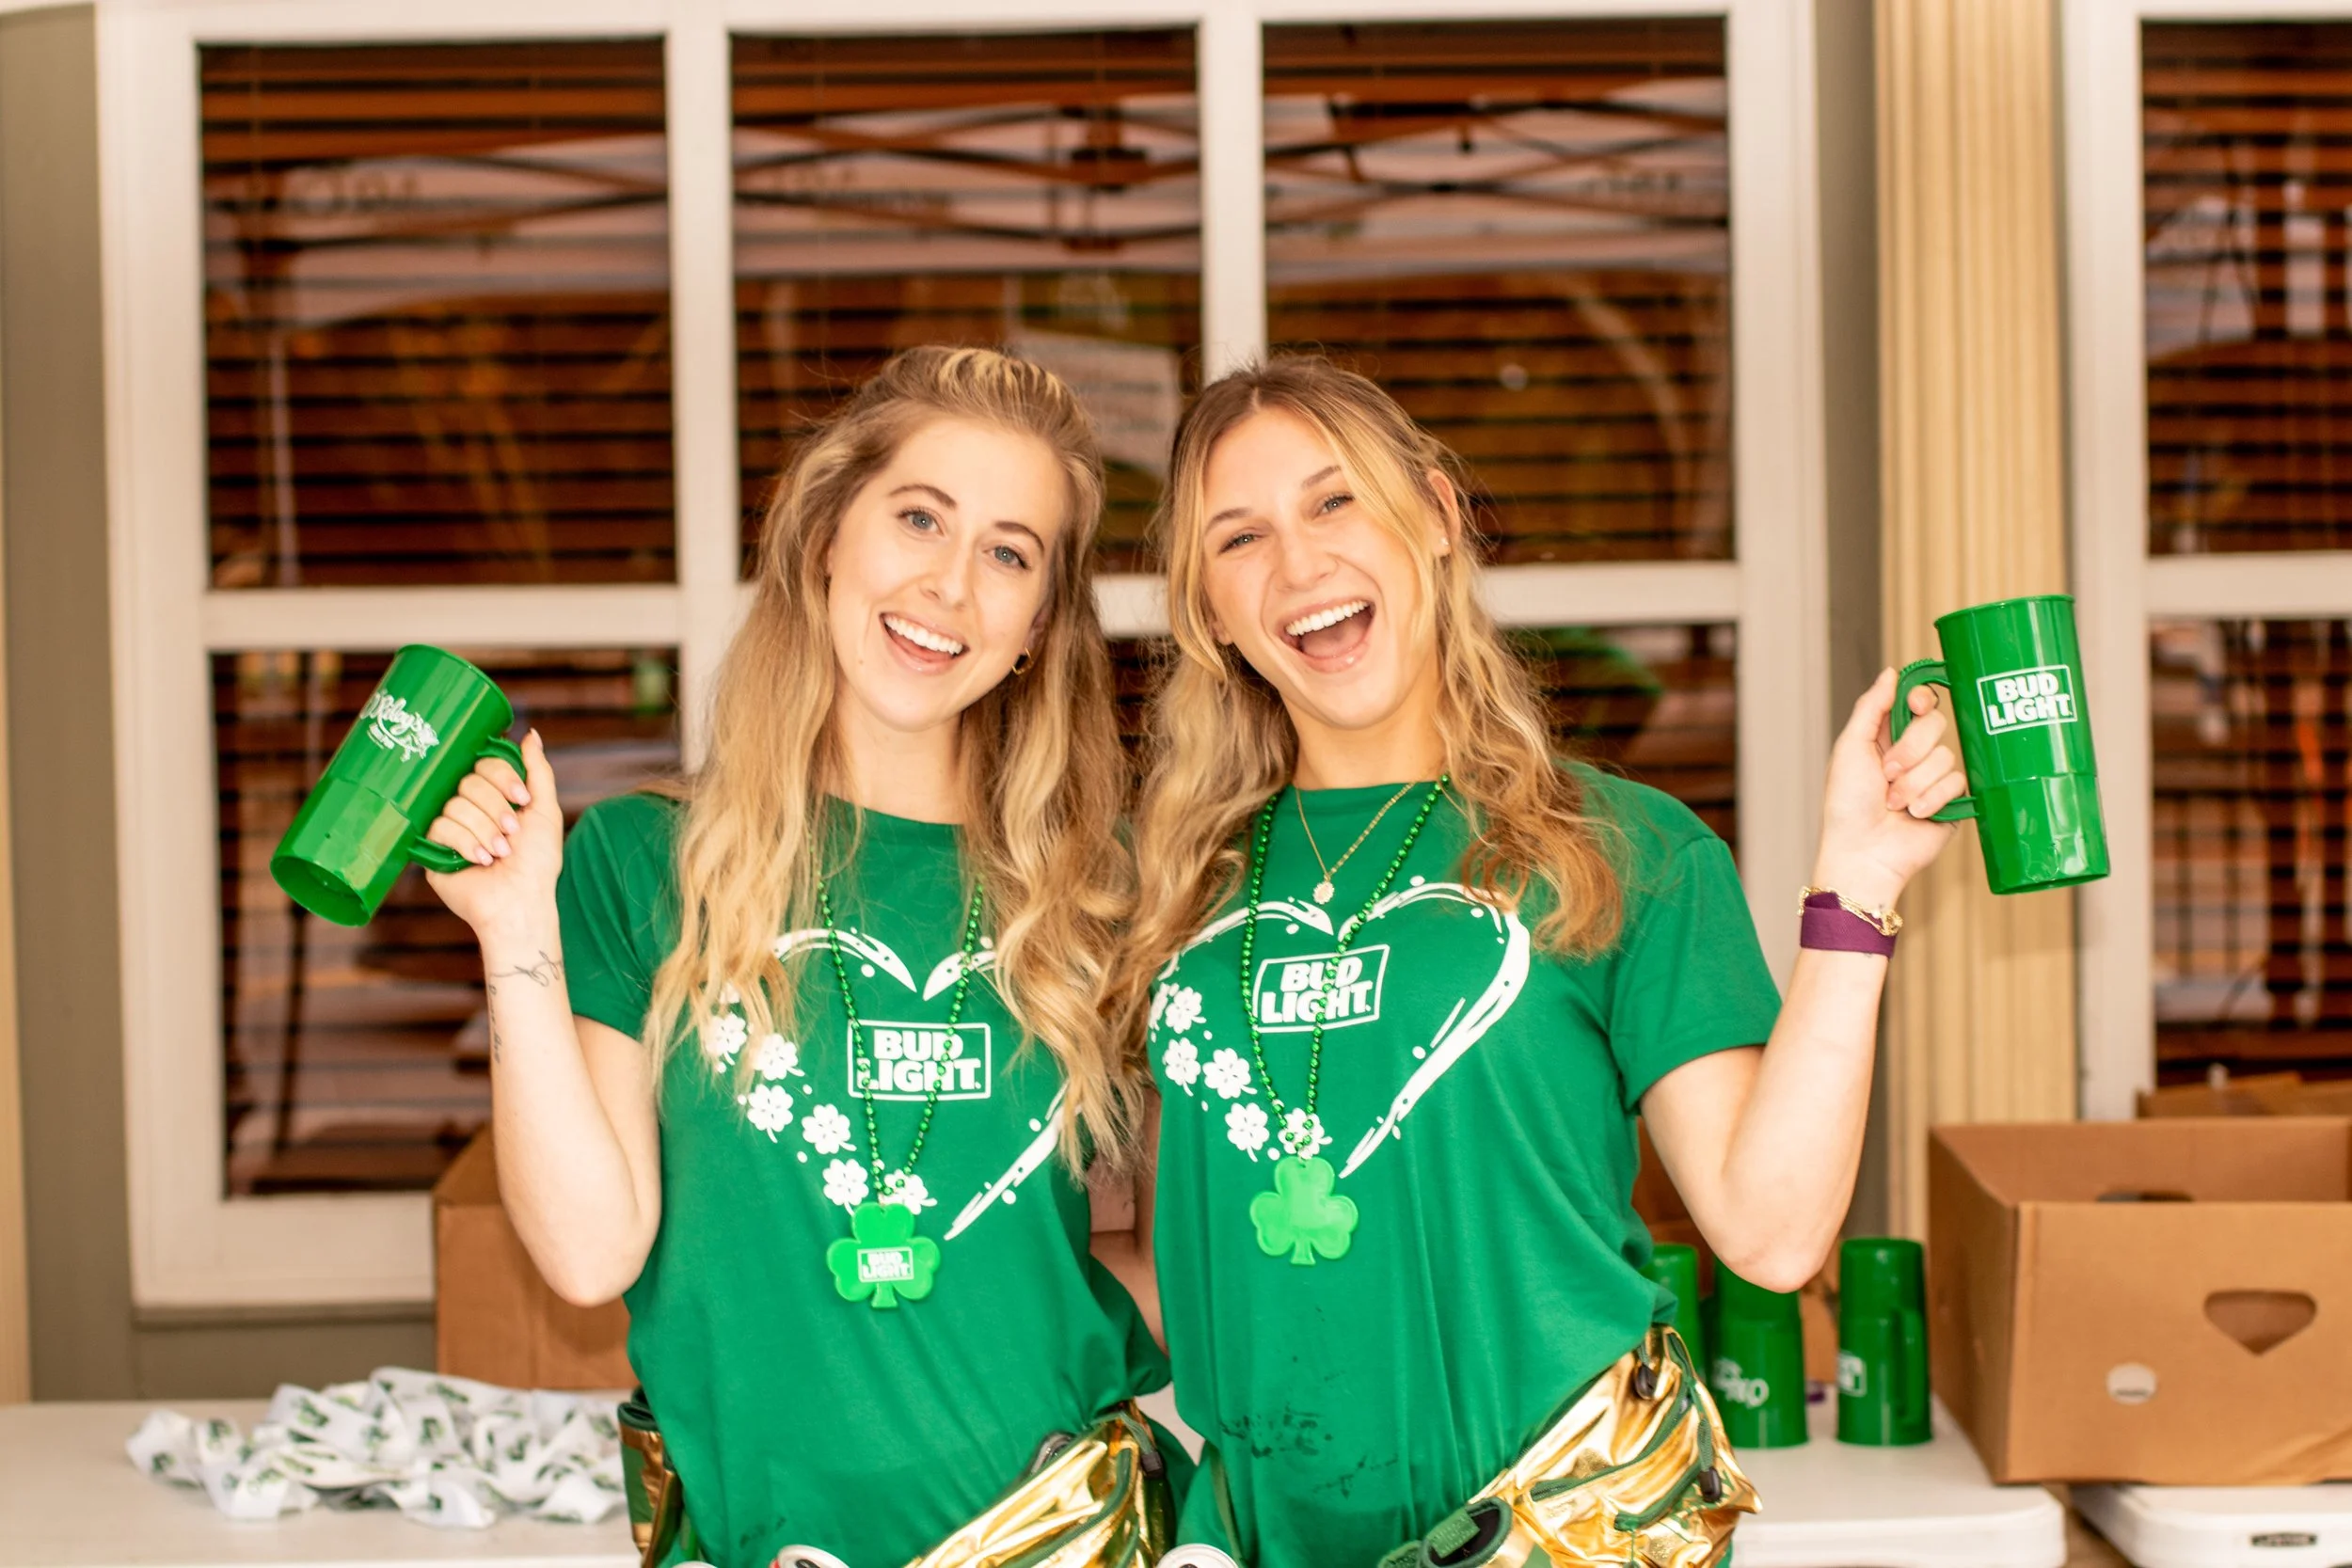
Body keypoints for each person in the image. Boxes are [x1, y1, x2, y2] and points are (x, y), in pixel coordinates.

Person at [1119, 357, 1963, 1568]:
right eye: (1238, 537)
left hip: (1563, 1532)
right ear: (1206, 608)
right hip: (1266, 1541)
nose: (1299, 564)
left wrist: (1860, 880)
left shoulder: (1620, 847)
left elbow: (1773, 1233)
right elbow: (1169, 1251)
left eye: (1335, 500)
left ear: (1437, 515)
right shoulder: (1167, 889)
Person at [424, 347, 1173, 1568]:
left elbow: (1191, 1259)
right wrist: (513, 931)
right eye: (919, 517)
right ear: (825, 535)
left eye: (1008, 553)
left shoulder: (1109, 889)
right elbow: (589, 1252)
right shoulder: (641, 862)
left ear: (1038, 626)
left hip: (1065, 1534)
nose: (949, 584)